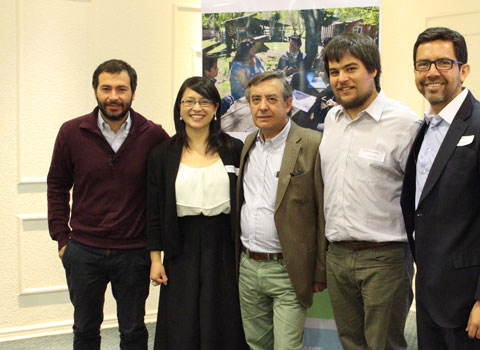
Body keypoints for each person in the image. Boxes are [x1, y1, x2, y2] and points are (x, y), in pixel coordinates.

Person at [400, 27, 480, 349]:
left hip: (472, 298)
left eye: (443, 63)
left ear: (463, 70)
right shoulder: (425, 127)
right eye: (423, 65)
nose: (431, 73)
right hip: (430, 289)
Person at [47, 59, 169, 349]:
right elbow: (57, 186)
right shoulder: (71, 132)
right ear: (95, 91)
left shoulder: (153, 135)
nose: (113, 96)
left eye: (121, 89)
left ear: (133, 93)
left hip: (133, 253)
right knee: (85, 329)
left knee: (133, 330)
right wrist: (62, 239)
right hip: (83, 252)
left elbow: (169, 185)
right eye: (106, 88)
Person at [319, 33, 420, 350]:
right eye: (334, 72)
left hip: (384, 258)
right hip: (337, 256)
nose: (342, 79)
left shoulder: (405, 123)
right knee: (351, 342)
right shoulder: (332, 119)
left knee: (384, 345)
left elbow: (422, 196)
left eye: (351, 69)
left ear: (373, 70)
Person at [146, 77, 248, 349]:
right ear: (179, 108)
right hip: (181, 246)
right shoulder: (162, 154)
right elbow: (154, 212)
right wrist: (155, 259)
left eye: (204, 101)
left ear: (216, 107)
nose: (196, 108)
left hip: (224, 244)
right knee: (182, 320)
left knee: (223, 318)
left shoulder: (234, 149)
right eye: (189, 101)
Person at [235, 71, 326, 350]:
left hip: (288, 268)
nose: (262, 106)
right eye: (256, 100)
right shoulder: (247, 144)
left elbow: (323, 212)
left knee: (287, 347)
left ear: (287, 104)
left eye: (271, 99)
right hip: (249, 268)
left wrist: (320, 271)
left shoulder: (312, 143)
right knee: (256, 344)